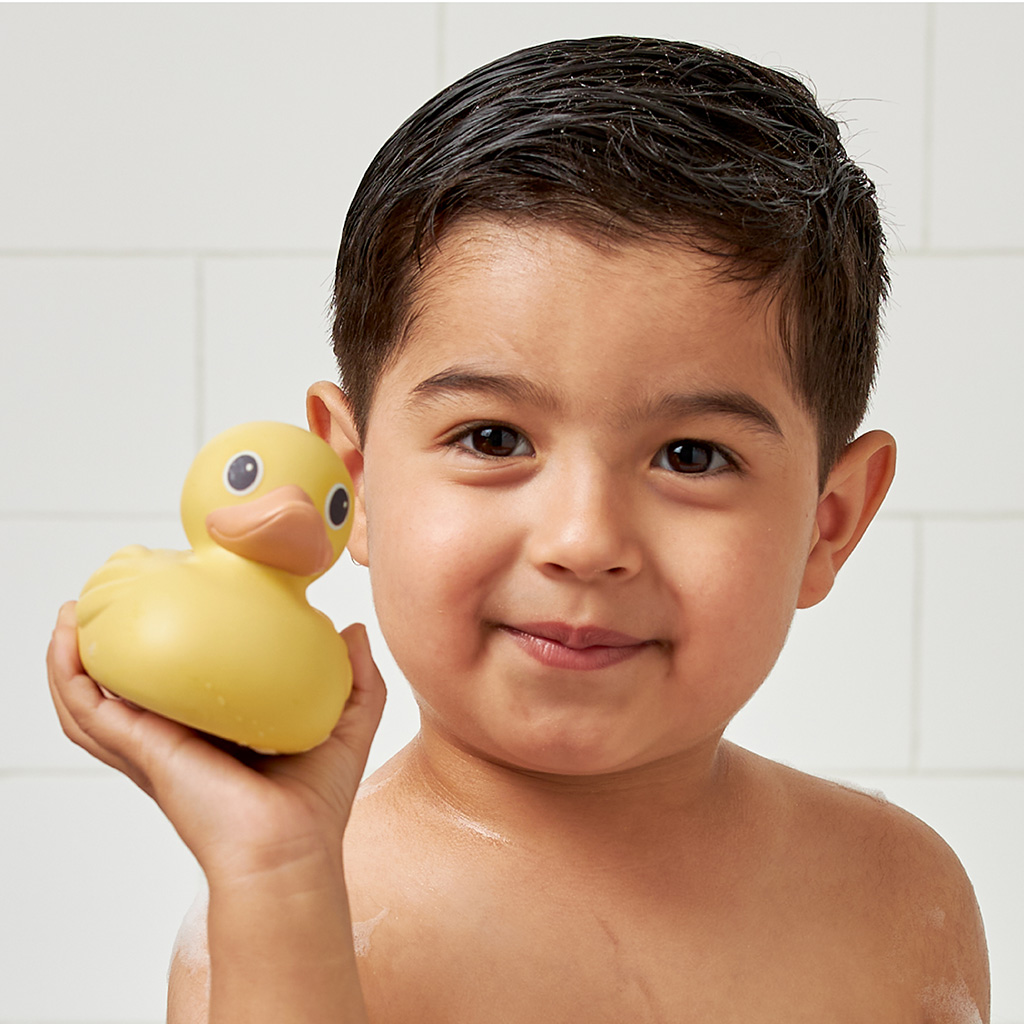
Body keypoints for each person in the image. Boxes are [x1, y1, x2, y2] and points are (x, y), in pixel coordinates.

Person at [47, 36, 990, 1023]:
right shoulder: (291, 923)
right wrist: (275, 875)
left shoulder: (898, 895)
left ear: (826, 524)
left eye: (691, 456)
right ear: (354, 482)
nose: (582, 539)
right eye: (492, 437)